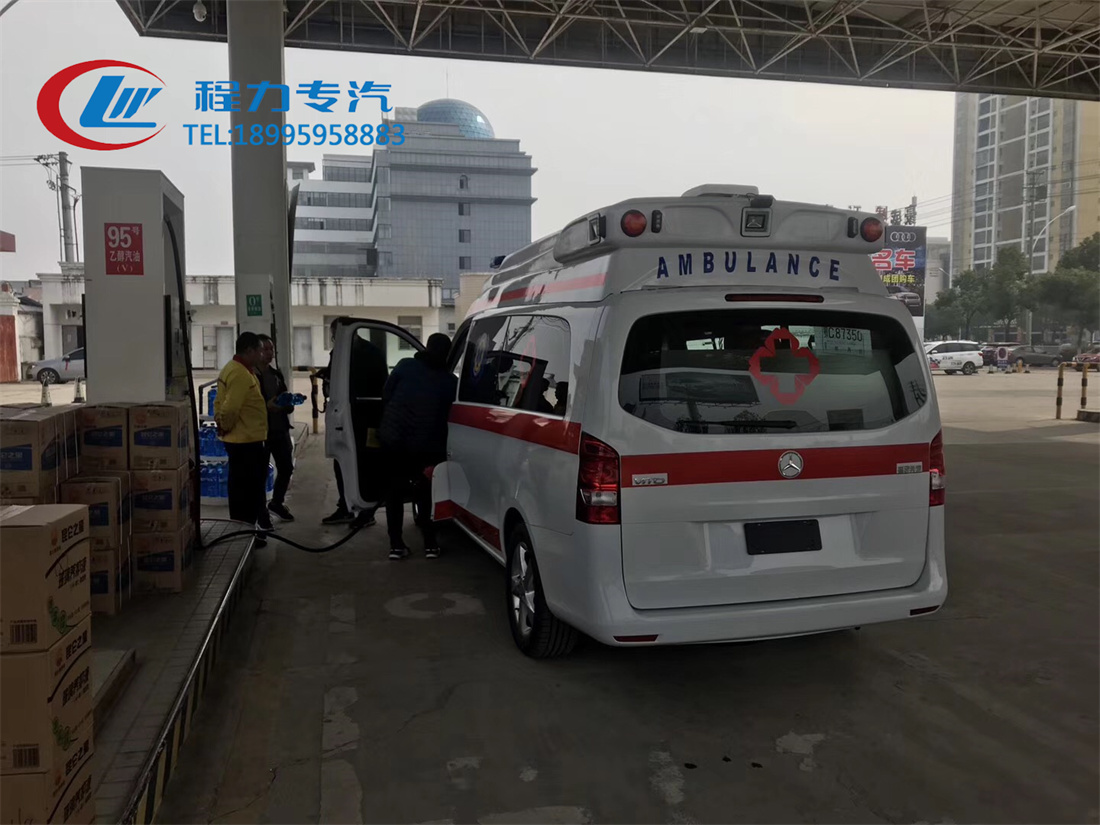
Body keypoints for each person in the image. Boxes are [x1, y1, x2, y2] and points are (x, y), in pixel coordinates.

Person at [378, 333, 457, 560]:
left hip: (394, 441)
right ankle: (430, 544)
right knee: (426, 494)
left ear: (426, 348)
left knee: (394, 493)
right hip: (426, 447)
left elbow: (386, 394)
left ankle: (396, 545)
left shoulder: (405, 366)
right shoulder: (450, 382)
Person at [214, 332, 271, 544]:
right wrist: (225, 426)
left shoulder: (237, 369)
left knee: (245, 490)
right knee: (246, 492)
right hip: (244, 442)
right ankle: (245, 534)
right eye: (259, 351)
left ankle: (247, 531)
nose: (262, 354)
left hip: (244, 439)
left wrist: (223, 425)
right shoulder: (239, 374)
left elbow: (220, 403)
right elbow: (230, 408)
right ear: (249, 350)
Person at [256, 334, 295, 522]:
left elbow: (287, 400)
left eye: (271, 349)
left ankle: (277, 502)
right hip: (261, 433)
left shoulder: (276, 375)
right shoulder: (251, 376)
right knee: (260, 474)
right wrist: (267, 407)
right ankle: (261, 514)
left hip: (280, 430)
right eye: (265, 349)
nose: (270, 353)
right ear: (256, 351)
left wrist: (287, 403)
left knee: (286, 467)